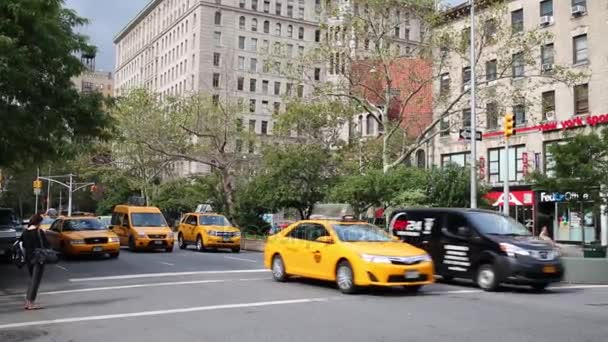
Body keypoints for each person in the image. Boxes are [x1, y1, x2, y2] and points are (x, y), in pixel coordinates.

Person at [19, 213, 48, 310]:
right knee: (35, 281)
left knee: (32, 280)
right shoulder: (39, 232)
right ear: (38, 222)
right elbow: (46, 245)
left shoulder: (25, 232)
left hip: (29, 258)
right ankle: (31, 303)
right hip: (38, 259)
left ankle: (27, 302)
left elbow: (22, 245)